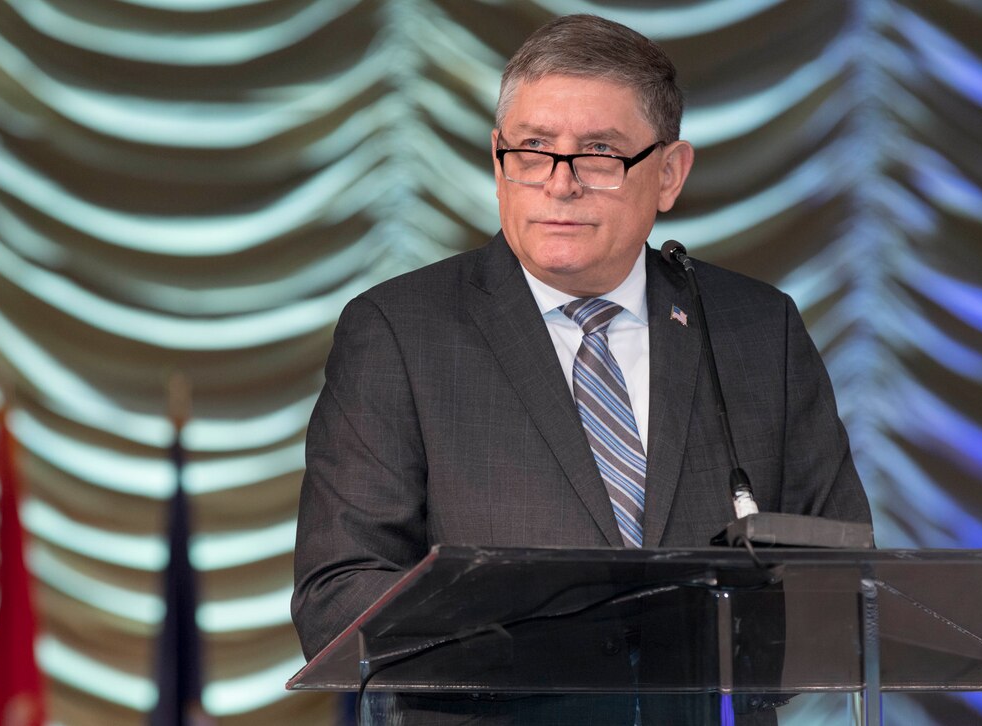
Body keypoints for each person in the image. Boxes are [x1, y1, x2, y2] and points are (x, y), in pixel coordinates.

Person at [292, 13, 871, 724]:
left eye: (599, 153)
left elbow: (842, 585)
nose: (559, 185)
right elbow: (338, 595)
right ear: (497, 158)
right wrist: (546, 645)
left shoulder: (757, 330)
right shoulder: (399, 332)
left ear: (668, 173)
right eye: (533, 150)